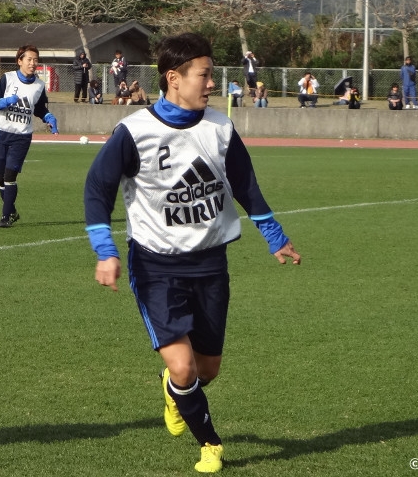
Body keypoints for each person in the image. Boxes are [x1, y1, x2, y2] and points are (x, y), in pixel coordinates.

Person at [83, 32, 301, 474]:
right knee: (184, 368)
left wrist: (275, 237)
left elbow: (246, 186)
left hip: (210, 265)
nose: (211, 84)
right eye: (204, 76)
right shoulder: (135, 132)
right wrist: (105, 250)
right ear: (173, 78)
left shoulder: (220, 128)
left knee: (207, 370)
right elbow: (97, 190)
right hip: (155, 266)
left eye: (212, 75)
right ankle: (211, 444)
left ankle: (173, 390)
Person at [0, 44, 58, 228]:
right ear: (19, 61)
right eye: (29, 59)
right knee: (0, 177)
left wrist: (48, 117)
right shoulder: (7, 78)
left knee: (10, 176)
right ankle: (11, 210)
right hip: (2, 133)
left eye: (36, 60)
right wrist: (3, 102)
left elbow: (40, 108)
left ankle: (5, 217)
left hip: (22, 136)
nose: (33, 63)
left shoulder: (39, 86)